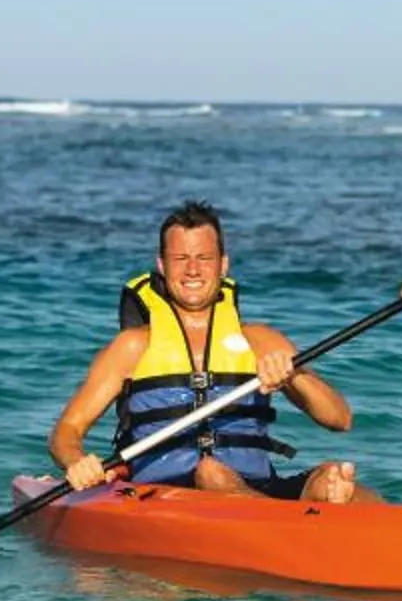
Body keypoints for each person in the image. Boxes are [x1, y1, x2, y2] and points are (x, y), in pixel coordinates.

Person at [48, 200, 372, 502]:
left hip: (256, 489)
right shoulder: (132, 347)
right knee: (211, 472)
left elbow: (339, 419)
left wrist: (293, 377)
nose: (192, 270)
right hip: (162, 496)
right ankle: (292, 531)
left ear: (223, 264)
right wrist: (76, 461)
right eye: (180, 259)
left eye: (204, 258)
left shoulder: (262, 341)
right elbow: (67, 430)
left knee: (333, 479)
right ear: (162, 265)